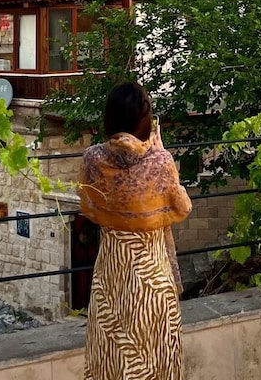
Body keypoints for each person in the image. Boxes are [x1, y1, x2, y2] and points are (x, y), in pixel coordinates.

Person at [79, 82, 192, 380]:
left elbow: (88, 209)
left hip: (111, 278)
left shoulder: (92, 159)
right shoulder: (160, 162)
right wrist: (162, 156)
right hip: (151, 283)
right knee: (155, 363)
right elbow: (182, 208)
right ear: (145, 121)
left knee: (110, 361)